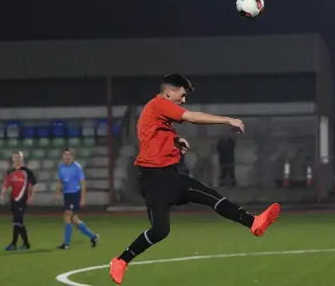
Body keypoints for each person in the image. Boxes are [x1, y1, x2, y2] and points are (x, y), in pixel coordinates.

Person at [109, 74, 281, 285]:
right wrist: (227, 120)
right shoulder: (160, 104)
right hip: (158, 178)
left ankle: (120, 261)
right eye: (181, 95)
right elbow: (192, 117)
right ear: (169, 92)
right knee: (209, 197)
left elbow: (150, 134)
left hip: (157, 178)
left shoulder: (154, 110)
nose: (183, 101)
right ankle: (253, 223)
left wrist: (176, 139)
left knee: (161, 230)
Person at [54, 148, 99, 249]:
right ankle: (93, 236)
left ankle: (66, 244)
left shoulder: (77, 167)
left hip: (75, 194)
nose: (67, 157)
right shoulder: (61, 167)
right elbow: (61, 181)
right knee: (74, 220)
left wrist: (83, 198)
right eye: (65, 155)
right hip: (67, 195)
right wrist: (56, 193)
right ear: (63, 156)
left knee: (67, 215)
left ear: (72, 156)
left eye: (69, 155)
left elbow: (82, 183)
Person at [0, 151, 37, 250]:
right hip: (13, 199)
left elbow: (34, 184)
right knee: (18, 222)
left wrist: (32, 196)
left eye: (18, 157)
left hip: (22, 199)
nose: (16, 159)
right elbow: (6, 184)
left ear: (22, 159)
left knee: (17, 221)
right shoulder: (10, 171)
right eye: (15, 157)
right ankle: (24, 244)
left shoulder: (26, 171)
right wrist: (2, 194)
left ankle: (16, 244)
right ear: (12, 159)